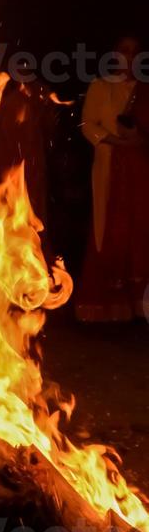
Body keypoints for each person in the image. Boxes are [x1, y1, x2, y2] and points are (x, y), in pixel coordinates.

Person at [76, 35, 149, 321]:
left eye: (135, 52)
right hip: (110, 166)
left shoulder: (145, 90)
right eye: (124, 51)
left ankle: (139, 306)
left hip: (141, 170)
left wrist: (140, 139)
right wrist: (116, 142)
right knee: (110, 229)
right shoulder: (101, 86)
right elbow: (87, 123)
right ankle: (108, 306)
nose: (129, 57)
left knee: (140, 231)